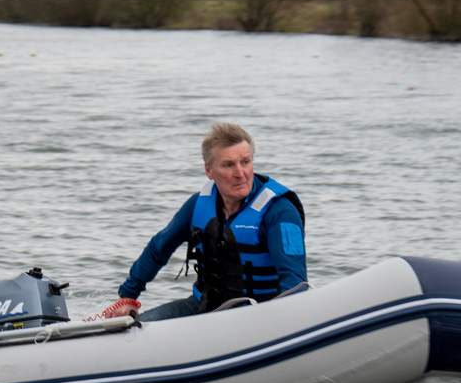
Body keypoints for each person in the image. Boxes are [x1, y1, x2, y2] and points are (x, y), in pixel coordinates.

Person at [99, 122, 306, 322]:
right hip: (204, 307)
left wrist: (284, 325)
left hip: (258, 315)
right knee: (142, 327)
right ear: (209, 171)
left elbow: (295, 282)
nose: (240, 173)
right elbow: (158, 248)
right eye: (228, 165)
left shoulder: (280, 212)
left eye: (245, 162)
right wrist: (128, 296)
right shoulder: (198, 205)